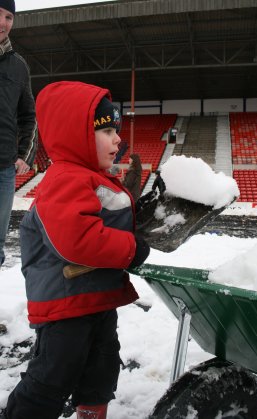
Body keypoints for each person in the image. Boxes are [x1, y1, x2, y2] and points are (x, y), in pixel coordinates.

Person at [1, 81, 150, 419]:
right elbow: (77, 240)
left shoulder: (94, 178)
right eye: (107, 130)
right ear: (76, 133)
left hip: (93, 299)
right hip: (65, 304)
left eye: (117, 130)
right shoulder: (66, 178)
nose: (117, 139)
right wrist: (130, 248)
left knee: (102, 368)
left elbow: (105, 220)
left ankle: (91, 411)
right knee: (53, 376)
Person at [0, 0, 37, 268]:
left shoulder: (19, 66)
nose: (3, 23)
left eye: (9, 17)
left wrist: (24, 154)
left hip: (3, 168)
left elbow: (28, 115)